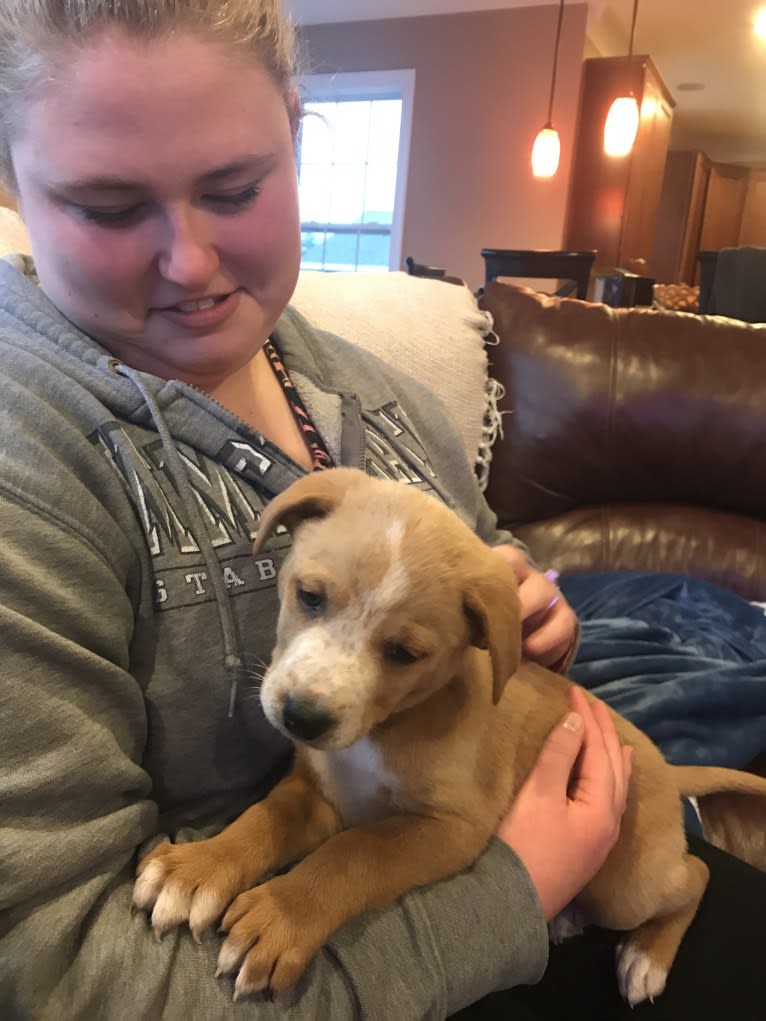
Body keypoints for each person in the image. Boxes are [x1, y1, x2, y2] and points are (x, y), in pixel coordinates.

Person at [0, 2, 762, 1019]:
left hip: (535, 844)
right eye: (103, 204)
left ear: (296, 128)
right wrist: (515, 889)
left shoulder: (366, 388)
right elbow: (61, 975)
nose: (188, 262)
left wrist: (529, 610)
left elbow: (481, 555)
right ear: (9, 179)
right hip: (387, 953)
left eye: (235, 188)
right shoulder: (30, 460)